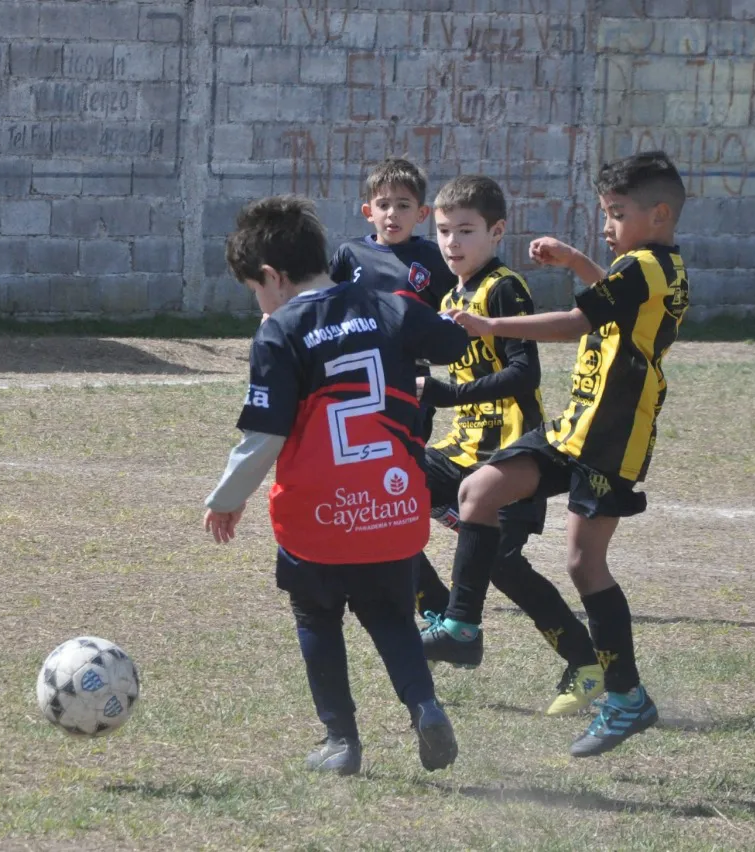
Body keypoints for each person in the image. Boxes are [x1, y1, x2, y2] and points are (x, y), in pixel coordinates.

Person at [427, 151, 690, 758]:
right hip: (574, 426)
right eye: (604, 213)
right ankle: (462, 623)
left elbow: (576, 323)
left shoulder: (649, 266)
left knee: (582, 563)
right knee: (478, 491)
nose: (606, 225)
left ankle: (626, 697)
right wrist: (576, 261)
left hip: (613, 439)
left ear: (658, 214)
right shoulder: (645, 264)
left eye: (616, 214)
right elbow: (611, 297)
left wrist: (494, 330)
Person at [204, 195, 469, 776]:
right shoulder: (387, 302)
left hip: (319, 520)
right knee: (394, 618)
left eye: (255, 289)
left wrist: (227, 499)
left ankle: (341, 742)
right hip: (394, 507)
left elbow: (264, 436)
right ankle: (424, 706)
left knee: (316, 618)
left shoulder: (280, 332)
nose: (258, 302)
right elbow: (452, 343)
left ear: (272, 277)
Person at [414, 174, 604, 716]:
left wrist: (449, 392)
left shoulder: (504, 288)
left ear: (496, 232)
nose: (453, 243)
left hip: (508, 455)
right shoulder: (452, 294)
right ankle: (439, 619)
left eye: (467, 231)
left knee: (502, 567)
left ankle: (585, 664)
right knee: (387, 486)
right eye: (446, 231)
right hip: (460, 451)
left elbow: (525, 374)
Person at [330, 157, 457, 443]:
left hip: (412, 376)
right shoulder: (349, 254)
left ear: (422, 213)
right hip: (357, 372)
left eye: (403, 205)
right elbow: (325, 304)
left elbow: (454, 308)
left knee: (408, 451)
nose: (392, 214)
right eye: (383, 205)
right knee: (360, 450)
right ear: (368, 211)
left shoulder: (434, 259)